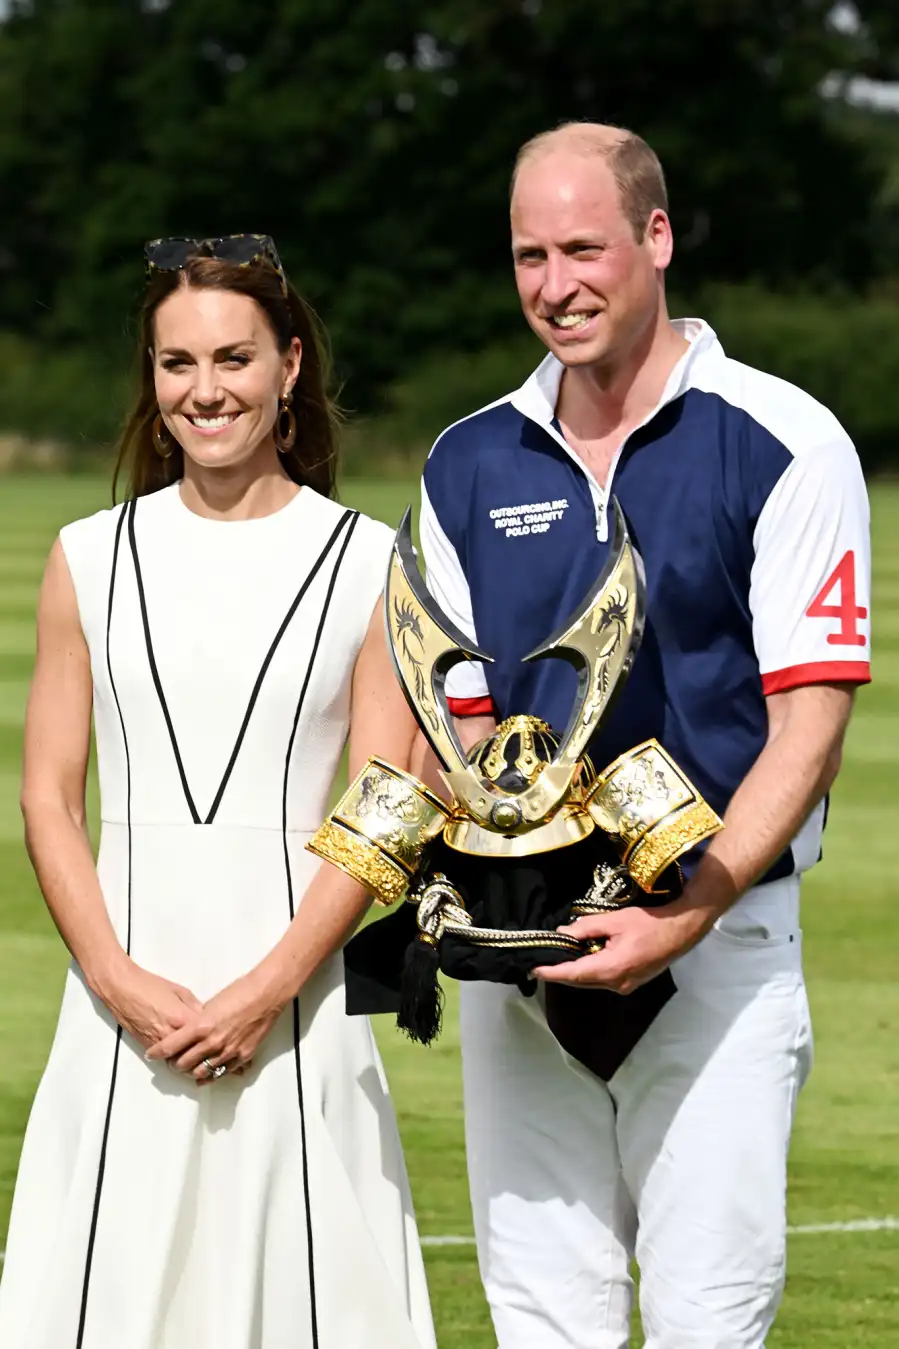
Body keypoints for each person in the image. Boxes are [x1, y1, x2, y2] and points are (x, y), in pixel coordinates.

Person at [418, 124, 871, 1349]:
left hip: (716, 947)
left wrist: (685, 909)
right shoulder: (467, 459)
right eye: (527, 255)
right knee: (537, 1318)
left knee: (704, 1322)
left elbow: (809, 723)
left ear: (654, 238)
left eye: (581, 247)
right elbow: (442, 706)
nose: (553, 284)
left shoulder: (780, 437)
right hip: (527, 959)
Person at [0, 235, 436, 1349]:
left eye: (232, 358)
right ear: (149, 376)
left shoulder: (367, 557)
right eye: (175, 362)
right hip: (116, 1017)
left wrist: (270, 987)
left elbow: (387, 799)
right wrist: (114, 974)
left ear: (289, 365)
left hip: (300, 1016)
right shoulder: (87, 555)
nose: (204, 390)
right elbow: (48, 793)